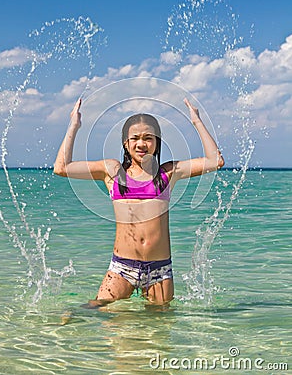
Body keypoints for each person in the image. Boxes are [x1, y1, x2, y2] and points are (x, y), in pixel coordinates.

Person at [54, 97, 224, 307]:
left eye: (148, 138)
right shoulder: (112, 171)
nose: (141, 144)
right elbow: (61, 168)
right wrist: (74, 125)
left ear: (157, 142)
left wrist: (197, 121)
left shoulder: (168, 173)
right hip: (122, 268)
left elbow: (216, 161)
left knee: (158, 330)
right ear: (125, 143)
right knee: (93, 311)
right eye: (135, 138)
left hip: (160, 271)